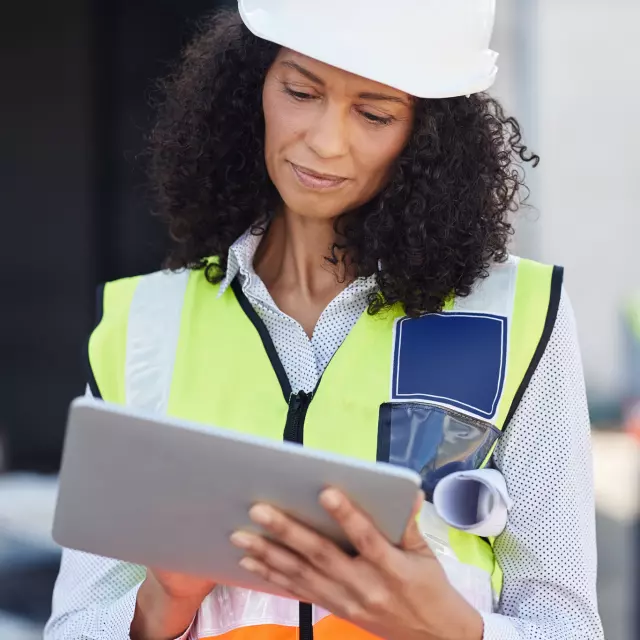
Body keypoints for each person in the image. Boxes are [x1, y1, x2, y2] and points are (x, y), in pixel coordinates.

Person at [45, 2, 604, 639]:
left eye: (374, 113)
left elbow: (568, 627)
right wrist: (159, 607)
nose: (324, 140)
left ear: (428, 132)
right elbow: (73, 627)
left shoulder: (518, 316)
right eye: (300, 91)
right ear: (251, 84)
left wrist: (451, 629)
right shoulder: (144, 326)